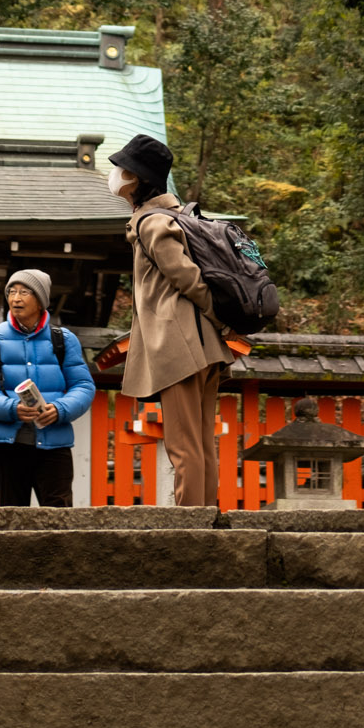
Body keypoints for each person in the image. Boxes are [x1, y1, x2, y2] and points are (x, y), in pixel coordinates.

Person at [109, 132, 232, 508]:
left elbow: (187, 278)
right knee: (199, 443)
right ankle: (208, 519)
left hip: (179, 346)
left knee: (183, 445)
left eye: (122, 169)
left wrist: (219, 314)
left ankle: (191, 526)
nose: (115, 175)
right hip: (205, 346)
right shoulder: (178, 215)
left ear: (138, 178)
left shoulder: (152, 223)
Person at [0, 269, 95, 507]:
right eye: (12, 291)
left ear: (40, 300)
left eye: (24, 292)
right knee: (10, 520)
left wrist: (59, 409)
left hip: (53, 445)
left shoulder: (63, 339)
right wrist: (10, 408)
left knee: (59, 518)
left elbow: (84, 385)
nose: (16, 298)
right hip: (5, 447)